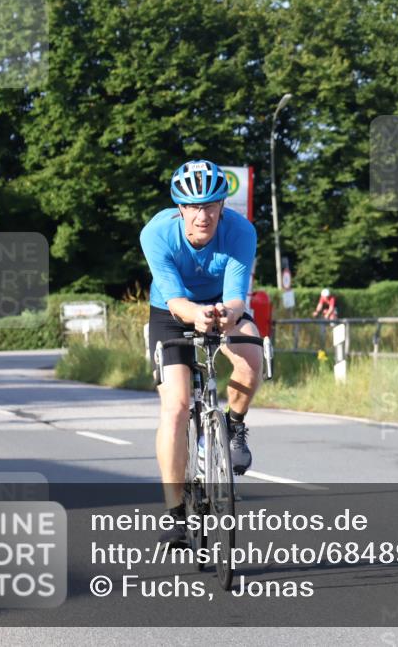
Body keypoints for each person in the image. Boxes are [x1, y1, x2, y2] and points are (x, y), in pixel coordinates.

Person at [140, 159, 261, 545]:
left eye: (210, 206)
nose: (202, 215)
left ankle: (235, 428)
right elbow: (175, 301)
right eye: (193, 207)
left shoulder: (241, 231)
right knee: (175, 406)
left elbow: (237, 299)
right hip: (172, 312)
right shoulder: (156, 234)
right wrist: (197, 316)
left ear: (223, 206)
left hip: (224, 307)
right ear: (180, 209)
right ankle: (176, 513)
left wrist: (224, 316)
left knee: (251, 354)